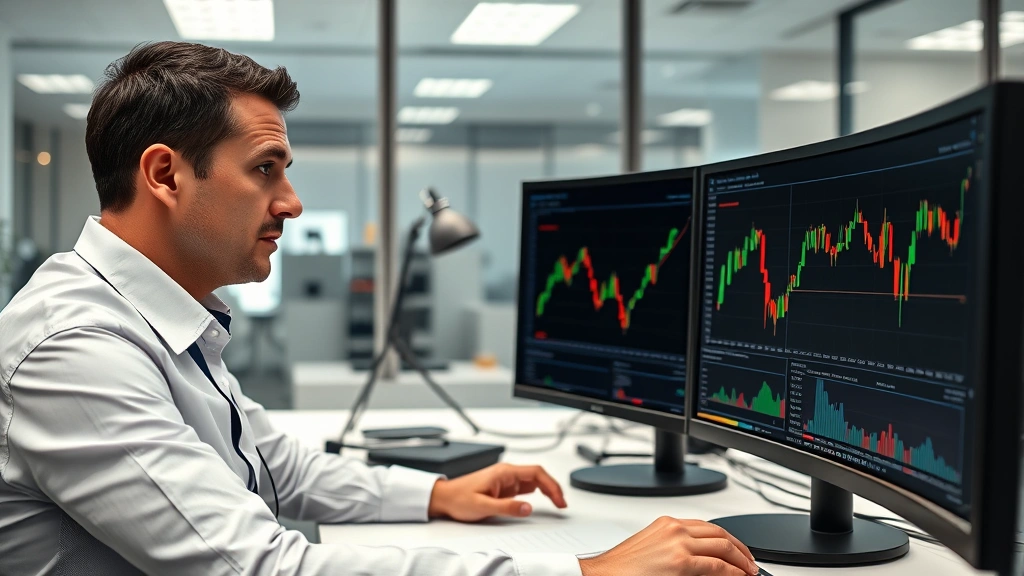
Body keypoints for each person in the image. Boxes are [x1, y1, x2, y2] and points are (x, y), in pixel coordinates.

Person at [0, 41, 760, 576]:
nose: (291, 203)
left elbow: (275, 464)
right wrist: (587, 572)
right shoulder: (76, 345)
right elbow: (261, 566)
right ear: (165, 174)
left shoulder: (163, 319)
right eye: (265, 170)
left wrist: (435, 493)